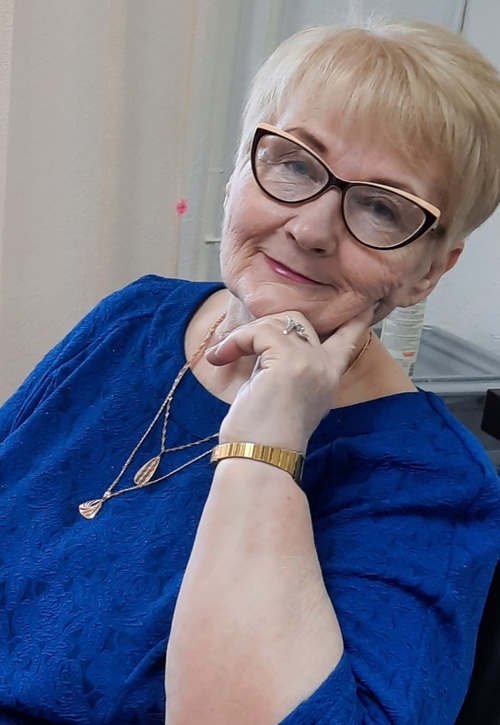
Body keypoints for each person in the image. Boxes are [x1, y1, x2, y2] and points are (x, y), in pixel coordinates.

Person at [1, 14, 500, 725]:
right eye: (294, 163)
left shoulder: (431, 486)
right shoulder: (134, 317)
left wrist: (266, 451)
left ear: (429, 271)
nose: (311, 228)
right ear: (239, 170)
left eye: (381, 208)